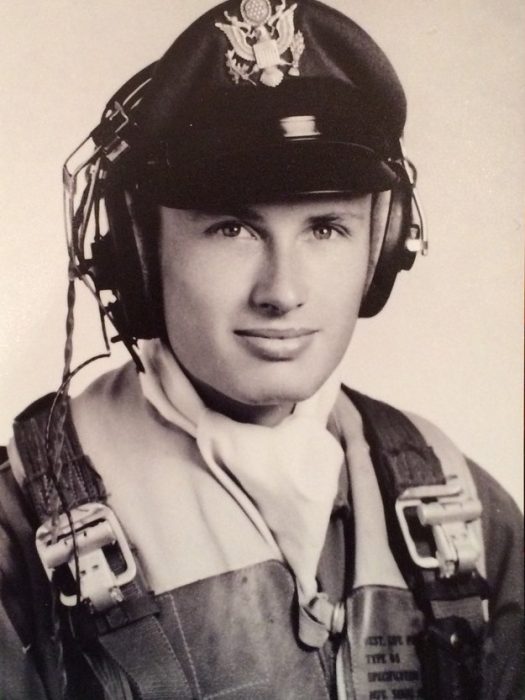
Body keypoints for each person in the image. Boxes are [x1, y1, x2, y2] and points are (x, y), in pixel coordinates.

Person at [0, 0, 522, 698]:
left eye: (326, 228)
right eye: (230, 229)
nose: (281, 291)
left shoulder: (460, 508)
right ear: (137, 254)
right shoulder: (20, 530)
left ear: (384, 244)